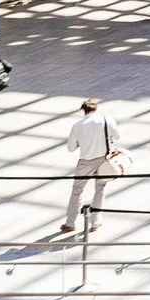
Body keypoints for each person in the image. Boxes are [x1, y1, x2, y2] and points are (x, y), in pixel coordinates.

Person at [58, 98, 121, 234]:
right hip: (103, 160)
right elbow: (117, 137)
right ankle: (95, 221)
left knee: (77, 191)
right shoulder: (106, 120)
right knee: (100, 188)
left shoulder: (77, 125)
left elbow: (71, 148)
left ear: (83, 110)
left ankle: (70, 222)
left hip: (85, 162)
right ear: (96, 109)